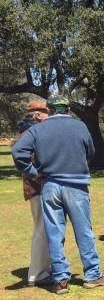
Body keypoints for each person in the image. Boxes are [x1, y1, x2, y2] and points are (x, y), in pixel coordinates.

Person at [12, 95, 104, 295]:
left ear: (49, 109)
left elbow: (18, 151)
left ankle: (60, 280)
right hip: (76, 185)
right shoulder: (80, 127)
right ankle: (92, 275)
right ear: (68, 109)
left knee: (55, 234)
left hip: (49, 185)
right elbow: (90, 152)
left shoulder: (38, 129)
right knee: (84, 231)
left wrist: (33, 172)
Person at [17, 98, 51, 285]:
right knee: (42, 229)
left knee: (45, 228)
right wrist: (38, 174)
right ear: (38, 114)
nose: (49, 115)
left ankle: (44, 268)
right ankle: (37, 274)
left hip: (39, 186)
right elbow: (25, 158)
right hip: (37, 187)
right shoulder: (30, 132)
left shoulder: (30, 130)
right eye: (47, 112)